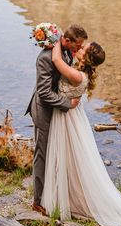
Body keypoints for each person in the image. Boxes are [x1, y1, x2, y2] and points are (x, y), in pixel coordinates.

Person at [41, 39, 121, 226]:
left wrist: (55, 37)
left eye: (82, 48)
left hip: (69, 120)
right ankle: (68, 196)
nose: (79, 48)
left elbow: (57, 60)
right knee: (69, 157)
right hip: (70, 116)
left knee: (73, 157)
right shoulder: (81, 72)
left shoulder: (78, 76)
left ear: (87, 58)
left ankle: (73, 200)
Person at [25, 24, 88, 213]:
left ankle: (57, 193)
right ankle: (38, 202)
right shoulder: (46, 58)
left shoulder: (65, 51)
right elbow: (43, 92)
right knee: (42, 155)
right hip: (44, 110)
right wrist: (67, 103)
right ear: (67, 40)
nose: (79, 49)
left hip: (58, 112)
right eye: (78, 44)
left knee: (59, 151)